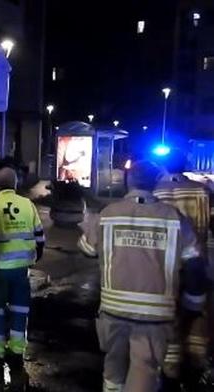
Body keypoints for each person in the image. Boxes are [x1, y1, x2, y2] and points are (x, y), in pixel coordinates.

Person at [78, 160, 206, 392]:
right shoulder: (174, 219)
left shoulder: (109, 214)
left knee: (113, 370)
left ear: (128, 181)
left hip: (113, 310)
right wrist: (193, 305)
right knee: (144, 372)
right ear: (156, 182)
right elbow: (195, 264)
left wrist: (89, 224)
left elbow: (87, 250)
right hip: (155, 315)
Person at [153, 149, 213, 390]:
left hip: (165, 260)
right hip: (196, 260)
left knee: (170, 313)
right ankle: (195, 362)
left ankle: (169, 367)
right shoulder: (200, 192)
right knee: (196, 313)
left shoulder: (156, 190)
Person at [0, 167, 45, 388]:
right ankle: (17, 352)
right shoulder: (28, 205)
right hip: (21, 269)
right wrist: (35, 256)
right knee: (20, 310)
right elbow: (40, 237)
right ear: (16, 184)